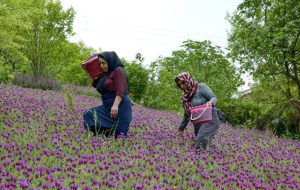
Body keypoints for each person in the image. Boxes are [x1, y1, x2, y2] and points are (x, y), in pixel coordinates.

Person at [82, 51, 132, 139]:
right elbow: (95, 83)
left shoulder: (118, 70)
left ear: (110, 60)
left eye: (103, 63)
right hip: (107, 106)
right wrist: (85, 70)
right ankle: (101, 136)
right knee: (89, 114)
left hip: (120, 105)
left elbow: (120, 89)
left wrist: (115, 105)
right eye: (100, 63)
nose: (101, 66)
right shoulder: (106, 74)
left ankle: (111, 142)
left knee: (119, 134)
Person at [175, 72, 220, 151]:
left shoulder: (201, 86)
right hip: (198, 122)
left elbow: (213, 97)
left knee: (200, 142)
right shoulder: (186, 96)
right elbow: (187, 113)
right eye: (179, 85)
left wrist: (210, 103)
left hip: (210, 118)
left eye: (183, 82)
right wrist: (181, 127)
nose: (182, 86)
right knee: (202, 145)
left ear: (188, 79)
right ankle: (210, 159)